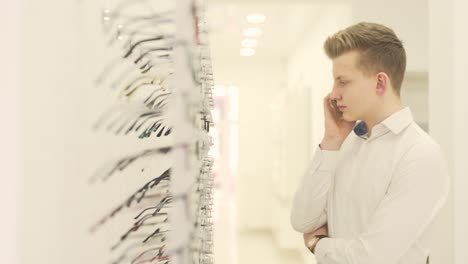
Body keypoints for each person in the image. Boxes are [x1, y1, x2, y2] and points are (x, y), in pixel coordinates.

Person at [290, 22, 449, 264]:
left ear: (380, 83)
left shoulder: (420, 155)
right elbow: (302, 220)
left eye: (343, 82)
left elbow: (372, 257)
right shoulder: (347, 143)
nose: (333, 94)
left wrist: (318, 244)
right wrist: (331, 142)